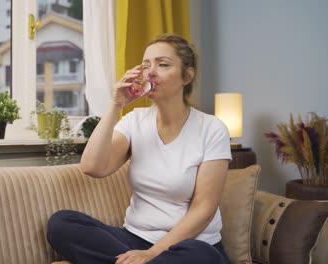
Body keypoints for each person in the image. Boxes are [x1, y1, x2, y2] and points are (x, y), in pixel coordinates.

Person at [47, 33, 232, 264]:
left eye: (163, 64)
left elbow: (203, 211)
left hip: (190, 245)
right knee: (61, 224)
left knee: (201, 256)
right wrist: (116, 104)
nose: (151, 72)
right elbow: (92, 166)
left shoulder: (212, 129)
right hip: (134, 239)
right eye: (146, 65)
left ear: (187, 76)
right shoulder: (135, 121)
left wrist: (152, 254)